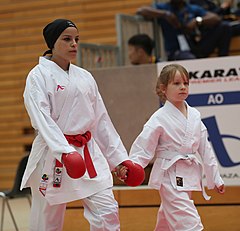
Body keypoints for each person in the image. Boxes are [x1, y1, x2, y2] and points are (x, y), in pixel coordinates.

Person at [20, 18, 145, 231]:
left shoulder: (85, 77)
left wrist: (119, 160)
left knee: (107, 212)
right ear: (52, 43)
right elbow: (42, 119)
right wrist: (65, 152)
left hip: (88, 154)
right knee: (46, 222)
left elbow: (101, 121)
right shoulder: (37, 76)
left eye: (76, 39)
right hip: (54, 154)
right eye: (67, 39)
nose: (74, 44)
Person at [129, 63, 225, 230]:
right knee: (190, 225)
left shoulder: (194, 115)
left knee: (167, 222)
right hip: (169, 175)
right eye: (177, 83)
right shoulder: (158, 118)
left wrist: (215, 177)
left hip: (188, 175)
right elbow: (144, 147)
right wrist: (131, 168)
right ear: (163, 88)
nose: (183, 87)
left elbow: (205, 148)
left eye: (186, 83)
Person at [136, 0, 232, 61]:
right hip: (176, 51)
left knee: (225, 27)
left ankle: (222, 61)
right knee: (191, 60)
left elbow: (215, 18)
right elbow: (141, 10)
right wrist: (165, 15)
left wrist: (197, 21)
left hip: (195, 46)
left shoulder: (191, 8)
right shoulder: (163, 7)